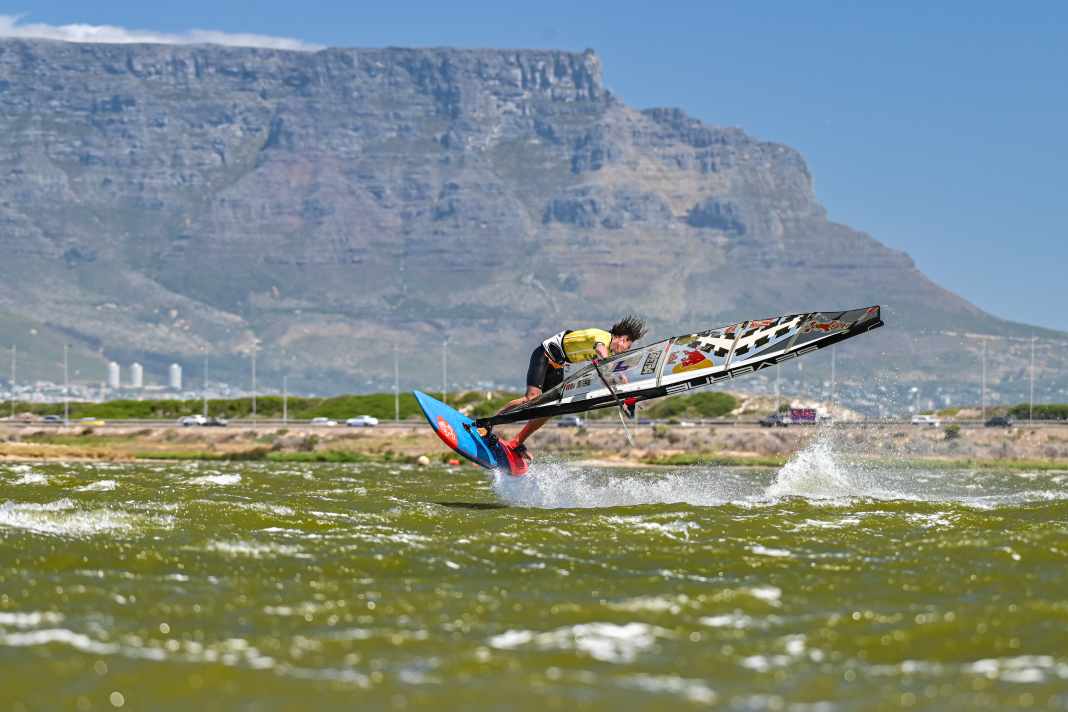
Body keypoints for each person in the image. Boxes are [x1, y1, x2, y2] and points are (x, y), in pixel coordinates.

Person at [497, 315, 647, 463]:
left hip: (557, 365)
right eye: (628, 346)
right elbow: (601, 350)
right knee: (531, 399)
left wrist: (624, 393)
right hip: (544, 355)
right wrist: (609, 364)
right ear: (622, 339)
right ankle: (488, 424)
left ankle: (516, 442)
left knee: (550, 409)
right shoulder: (602, 337)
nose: (625, 350)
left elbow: (604, 376)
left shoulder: (606, 349)